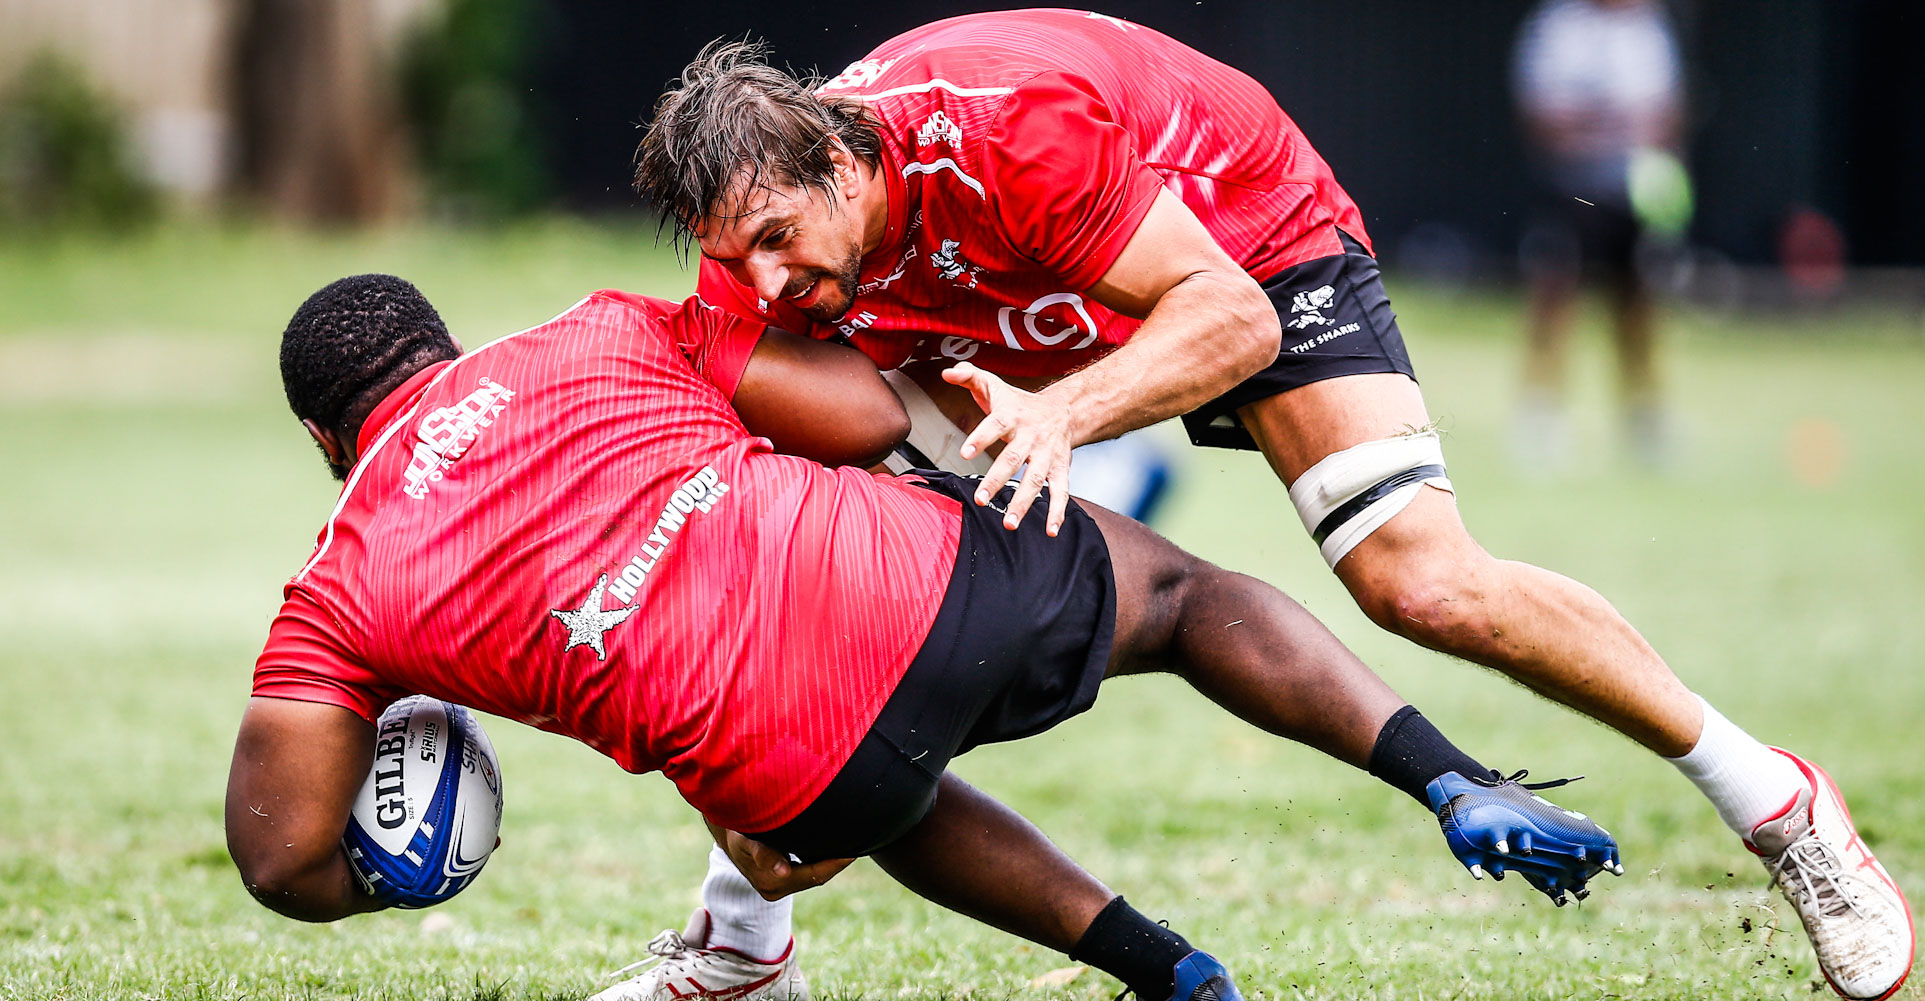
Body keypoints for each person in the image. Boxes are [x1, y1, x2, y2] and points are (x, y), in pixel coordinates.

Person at [628, 12, 1914, 1001]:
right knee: (786, 560)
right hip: (1006, 314)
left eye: (780, 238)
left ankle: (1777, 802)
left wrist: (1063, 414)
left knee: (1418, 580)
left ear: (841, 161)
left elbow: (1228, 317)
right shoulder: (771, 255)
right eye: (736, 256)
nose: (765, 280)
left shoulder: (1005, 129)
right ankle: (742, 941)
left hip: (1235, 247)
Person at [228, 275, 1620, 1001]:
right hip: (932, 579)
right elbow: (863, 420)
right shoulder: (593, 331)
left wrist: (404, 868)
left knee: (864, 780)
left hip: (802, 789)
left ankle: (1168, 972)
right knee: (1183, 598)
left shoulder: (340, 587)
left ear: (319, 439)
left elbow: (279, 853)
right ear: (444, 344)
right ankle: (1447, 776)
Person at [1511, 0, 1690, 470]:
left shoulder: (1648, 26)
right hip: (1570, 187)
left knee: (1638, 305)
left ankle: (1645, 419)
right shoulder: (1558, 26)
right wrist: (1613, 125)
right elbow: (1545, 115)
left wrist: (1621, 130)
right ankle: (1540, 416)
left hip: (1635, 192)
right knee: (1555, 297)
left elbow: (1665, 112)